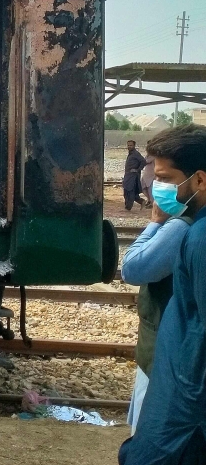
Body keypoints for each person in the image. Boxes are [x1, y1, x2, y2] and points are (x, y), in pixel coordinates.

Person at [119, 125, 206, 465]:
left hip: (182, 408)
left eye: (168, 178)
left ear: (199, 179)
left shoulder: (196, 235)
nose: (159, 188)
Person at [121, 197, 190, 433]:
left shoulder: (180, 226)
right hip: (170, 348)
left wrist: (155, 222)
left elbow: (132, 268)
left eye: (165, 178)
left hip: (163, 351)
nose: (157, 187)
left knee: (148, 434)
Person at [124, 140, 148, 210]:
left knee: (130, 190)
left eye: (131, 145)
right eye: (128, 145)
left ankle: (128, 207)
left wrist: (137, 169)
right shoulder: (131, 154)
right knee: (126, 190)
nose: (129, 146)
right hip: (128, 175)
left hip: (133, 176)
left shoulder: (136, 154)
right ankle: (141, 201)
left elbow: (143, 161)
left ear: (134, 146)